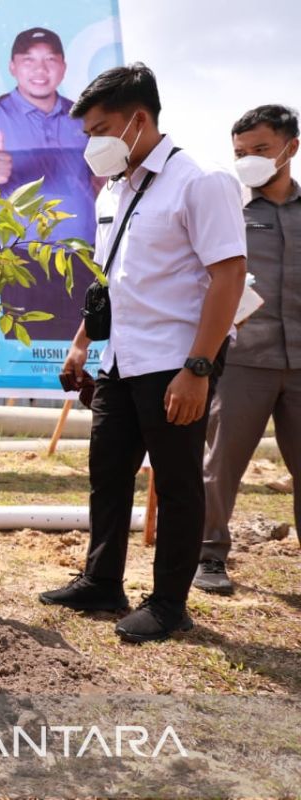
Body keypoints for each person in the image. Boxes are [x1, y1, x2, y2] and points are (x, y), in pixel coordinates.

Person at [42, 64, 247, 643]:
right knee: (107, 474)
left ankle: (168, 605)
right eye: (87, 134)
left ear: (138, 120)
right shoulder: (115, 189)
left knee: (178, 484)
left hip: (176, 362)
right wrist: (84, 343)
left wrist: (198, 368)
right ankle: (102, 580)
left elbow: (229, 278)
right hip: (121, 360)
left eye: (99, 130)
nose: (92, 145)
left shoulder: (200, 180)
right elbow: (110, 278)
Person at [195, 105, 301, 595]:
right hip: (241, 361)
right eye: (240, 152)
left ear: (290, 147)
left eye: (260, 150)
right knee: (221, 464)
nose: (249, 161)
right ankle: (209, 556)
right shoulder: (229, 210)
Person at [0, 27, 98, 341]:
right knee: (26, 350)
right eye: (29, 60)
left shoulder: (85, 118)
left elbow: (103, 182)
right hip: (20, 259)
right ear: (13, 67)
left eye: (49, 59)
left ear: (63, 66)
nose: (40, 70)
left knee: (85, 352)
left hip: (83, 257)